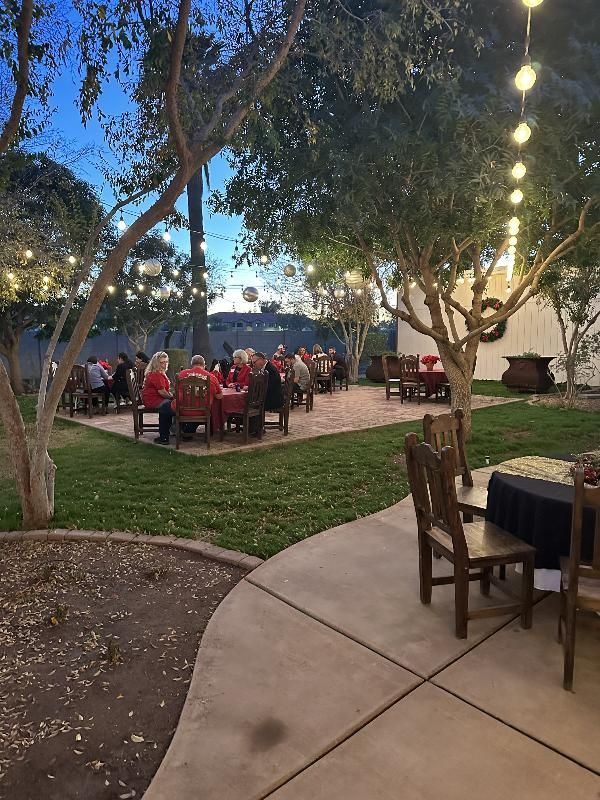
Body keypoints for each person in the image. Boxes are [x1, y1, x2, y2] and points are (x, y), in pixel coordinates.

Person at [172, 355, 223, 440]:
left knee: (168, 407)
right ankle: (188, 432)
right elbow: (219, 396)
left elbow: (175, 392)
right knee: (206, 410)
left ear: (191, 364)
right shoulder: (211, 377)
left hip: (182, 411)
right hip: (203, 412)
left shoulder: (181, 374)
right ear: (204, 365)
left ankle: (179, 430)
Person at [142, 352, 173, 445]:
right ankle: (165, 435)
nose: (165, 364)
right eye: (162, 362)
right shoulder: (156, 374)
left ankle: (169, 432)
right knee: (169, 406)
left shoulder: (159, 373)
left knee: (172, 405)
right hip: (152, 400)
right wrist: (172, 397)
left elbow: (164, 391)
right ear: (156, 363)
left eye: (166, 362)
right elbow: (162, 392)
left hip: (157, 398)